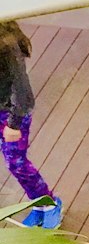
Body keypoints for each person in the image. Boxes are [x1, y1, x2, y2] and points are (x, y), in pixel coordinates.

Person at [0, 22, 61, 228]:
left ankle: (49, 202)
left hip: (10, 113)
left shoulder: (6, 47)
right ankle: (39, 203)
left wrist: (14, 124)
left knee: (15, 161)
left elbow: (22, 90)